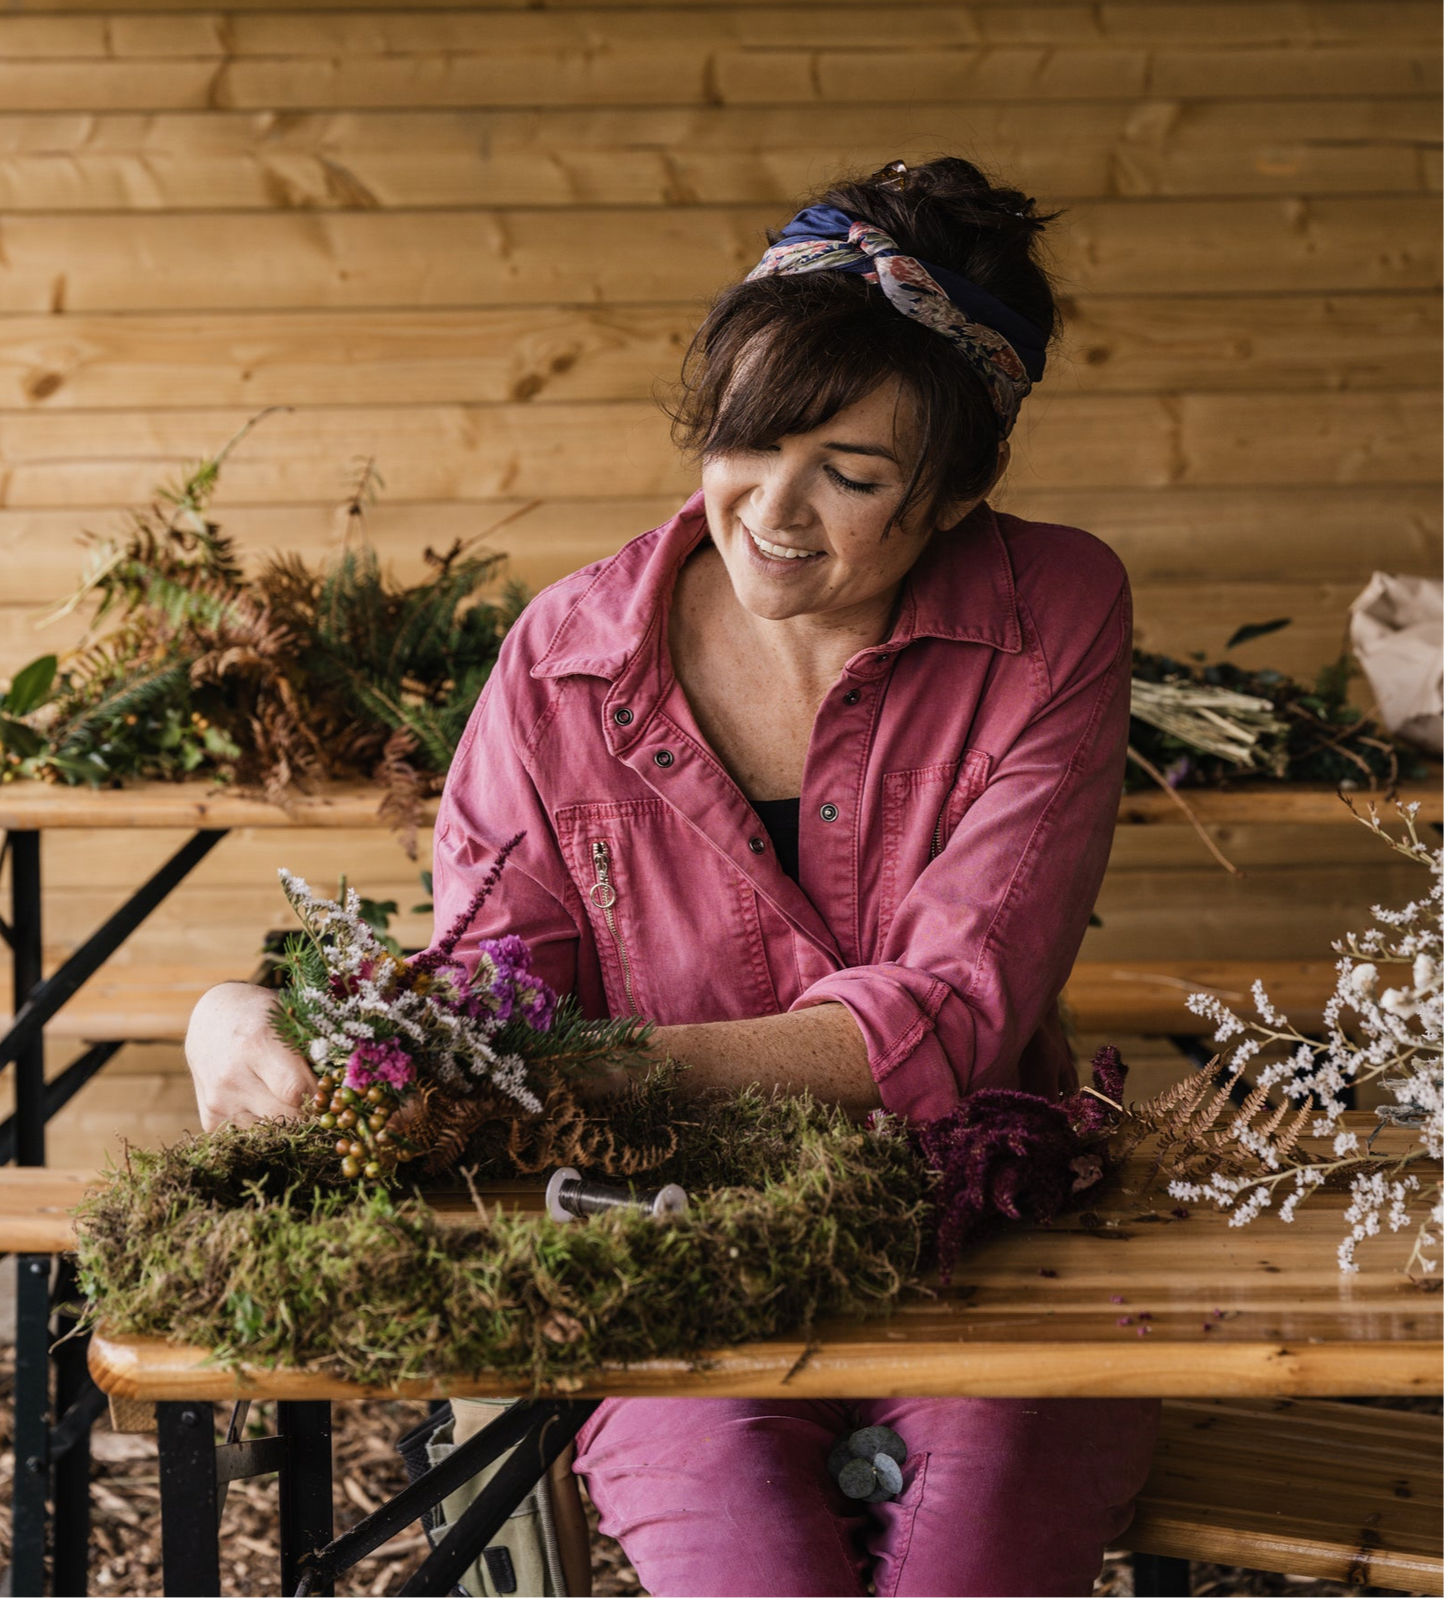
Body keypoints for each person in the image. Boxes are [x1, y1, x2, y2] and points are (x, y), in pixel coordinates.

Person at [186, 155, 1158, 1597]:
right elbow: (484, 994)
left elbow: (952, 1012)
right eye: (749, 442)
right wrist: (249, 1018)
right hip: (658, 1257)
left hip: (993, 1246)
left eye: (855, 474)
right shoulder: (565, 658)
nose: (774, 509)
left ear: (956, 494)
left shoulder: (1049, 614)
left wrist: (585, 1069)